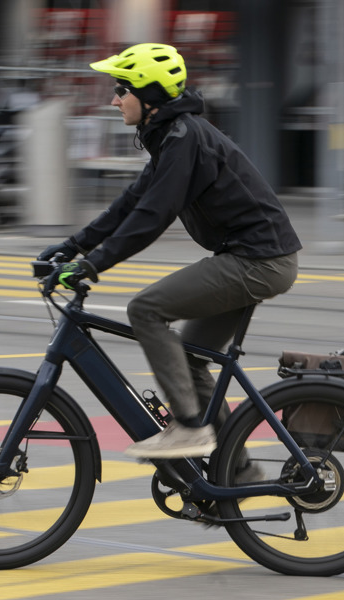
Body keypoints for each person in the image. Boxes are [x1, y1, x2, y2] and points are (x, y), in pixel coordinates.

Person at [38, 43, 302, 460]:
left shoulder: (184, 138)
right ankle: (236, 470)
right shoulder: (171, 136)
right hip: (249, 257)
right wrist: (73, 246)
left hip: (258, 261)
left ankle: (189, 428)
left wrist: (91, 265)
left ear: (150, 96)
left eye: (121, 90)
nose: (114, 100)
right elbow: (131, 202)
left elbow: (152, 217)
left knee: (145, 309)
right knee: (191, 358)